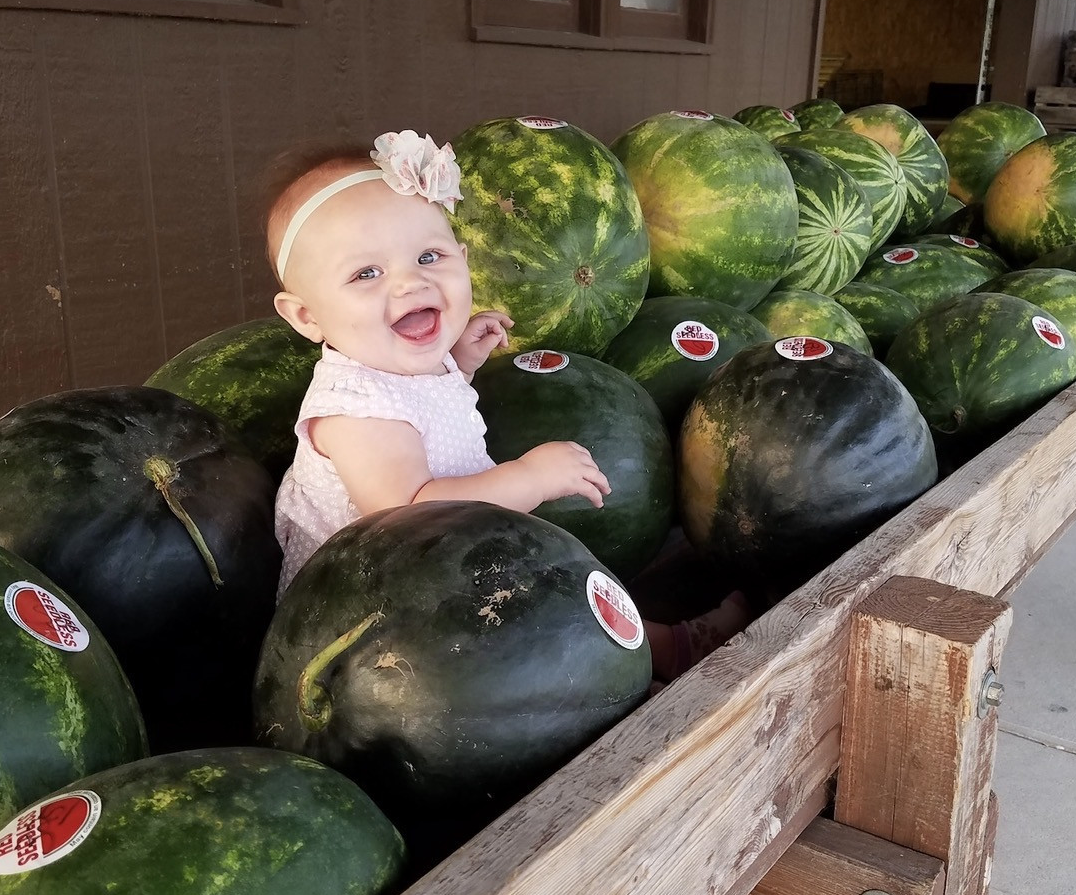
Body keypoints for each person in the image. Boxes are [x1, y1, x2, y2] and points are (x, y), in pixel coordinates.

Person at [262, 131, 748, 680]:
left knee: (552, 573)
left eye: (429, 256)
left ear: (463, 259)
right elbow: (412, 515)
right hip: (377, 619)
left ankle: (652, 647)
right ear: (306, 316)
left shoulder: (398, 364)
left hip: (439, 560)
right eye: (366, 274)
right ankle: (663, 654)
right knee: (546, 600)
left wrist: (458, 364)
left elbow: (426, 412)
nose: (410, 283)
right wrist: (529, 478)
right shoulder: (357, 413)